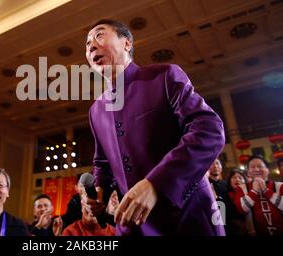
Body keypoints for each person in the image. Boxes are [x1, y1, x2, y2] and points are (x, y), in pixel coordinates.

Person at [84, 19, 225, 236]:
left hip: (188, 217)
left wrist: (156, 184)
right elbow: (103, 163)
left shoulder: (164, 76)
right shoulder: (96, 111)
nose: (91, 45)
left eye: (100, 35)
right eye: (87, 43)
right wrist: (101, 191)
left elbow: (209, 129)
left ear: (127, 43)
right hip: (134, 226)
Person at [232, 155, 283, 235]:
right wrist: (254, 191)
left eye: (260, 166)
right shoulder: (241, 188)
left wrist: (266, 191)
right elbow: (241, 209)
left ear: (267, 170)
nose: (256, 169)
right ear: (248, 172)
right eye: (252, 167)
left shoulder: (280, 186)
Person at [226, 169, 255, 236]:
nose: (237, 180)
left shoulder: (251, 193)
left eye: (240, 177)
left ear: (245, 180)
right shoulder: (226, 195)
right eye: (234, 177)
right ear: (229, 181)